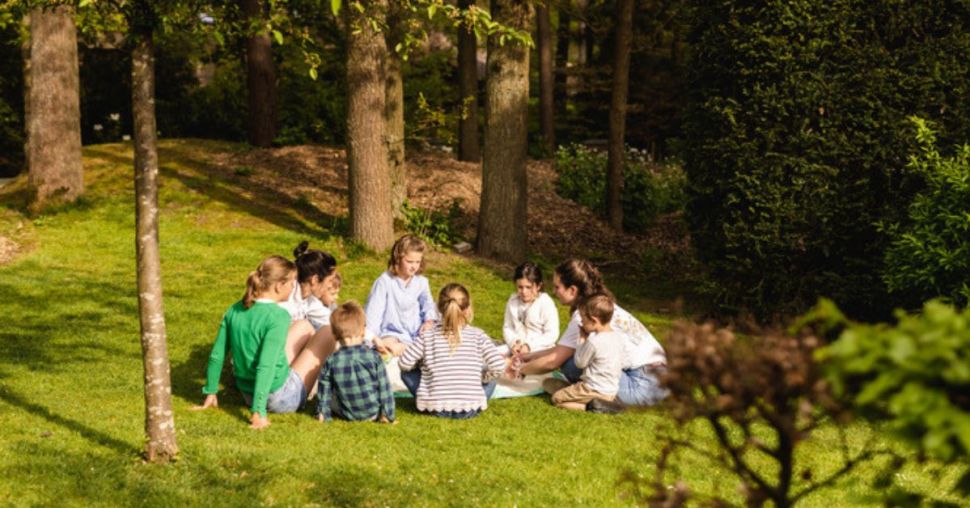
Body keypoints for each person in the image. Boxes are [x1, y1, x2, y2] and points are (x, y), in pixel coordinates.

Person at [513, 259, 667, 409]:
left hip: (643, 385)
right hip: (663, 380)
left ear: (572, 290)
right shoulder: (601, 307)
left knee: (570, 364)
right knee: (576, 357)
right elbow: (561, 349)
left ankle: (597, 402)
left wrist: (518, 370)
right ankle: (583, 393)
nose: (554, 291)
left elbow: (554, 360)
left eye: (557, 287)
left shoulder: (585, 316)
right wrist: (528, 357)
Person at [195, 256, 325, 429]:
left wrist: (211, 392)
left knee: (304, 325)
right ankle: (323, 391)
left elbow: (217, 355)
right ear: (279, 286)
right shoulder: (278, 316)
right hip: (280, 397)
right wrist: (258, 412)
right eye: (292, 283)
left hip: (247, 392)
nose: (294, 288)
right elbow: (266, 365)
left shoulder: (234, 310)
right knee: (327, 333)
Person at [399, 283, 506, 419]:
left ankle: (430, 399)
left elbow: (404, 363)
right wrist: (482, 378)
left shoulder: (428, 335)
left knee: (406, 372)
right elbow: (498, 365)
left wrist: (421, 366)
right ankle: (471, 396)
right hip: (471, 408)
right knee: (489, 371)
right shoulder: (478, 335)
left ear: (438, 307)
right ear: (467, 309)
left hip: (436, 408)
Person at [316, 302, 395, 423]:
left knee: (329, 393)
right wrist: (387, 414)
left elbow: (324, 388)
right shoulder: (374, 357)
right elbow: (384, 388)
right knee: (379, 386)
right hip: (373, 412)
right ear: (363, 331)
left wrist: (323, 412)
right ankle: (383, 415)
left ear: (335, 335)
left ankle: (322, 413)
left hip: (347, 414)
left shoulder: (331, 360)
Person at [544, 294, 623, 411]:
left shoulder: (593, 341)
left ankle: (596, 406)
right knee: (548, 384)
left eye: (583, 319)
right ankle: (603, 400)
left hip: (592, 389)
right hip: (611, 389)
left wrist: (581, 339)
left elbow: (579, 363)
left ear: (594, 321)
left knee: (557, 398)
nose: (581, 322)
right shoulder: (616, 336)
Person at [364, 234, 437, 356]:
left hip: (416, 332)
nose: (414, 266)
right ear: (398, 259)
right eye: (409, 262)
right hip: (392, 333)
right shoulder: (385, 282)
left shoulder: (421, 282)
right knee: (388, 347)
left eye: (417, 262)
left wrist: (428, 321)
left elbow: (428, 304)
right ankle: (409, 350)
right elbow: (373, 313)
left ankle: (411, 348)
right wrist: (370, 339)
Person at [501, 262, 559, 356]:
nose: (524, 292)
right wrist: (513, 343)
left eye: (528, 287)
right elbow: (508, 327)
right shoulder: (513, 301)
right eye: (520, 287)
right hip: (517, 347)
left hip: (539, 350)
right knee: (494, 355)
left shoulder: (546, 303)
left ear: (538, 286)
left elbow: (552, 334)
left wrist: (529, 346)